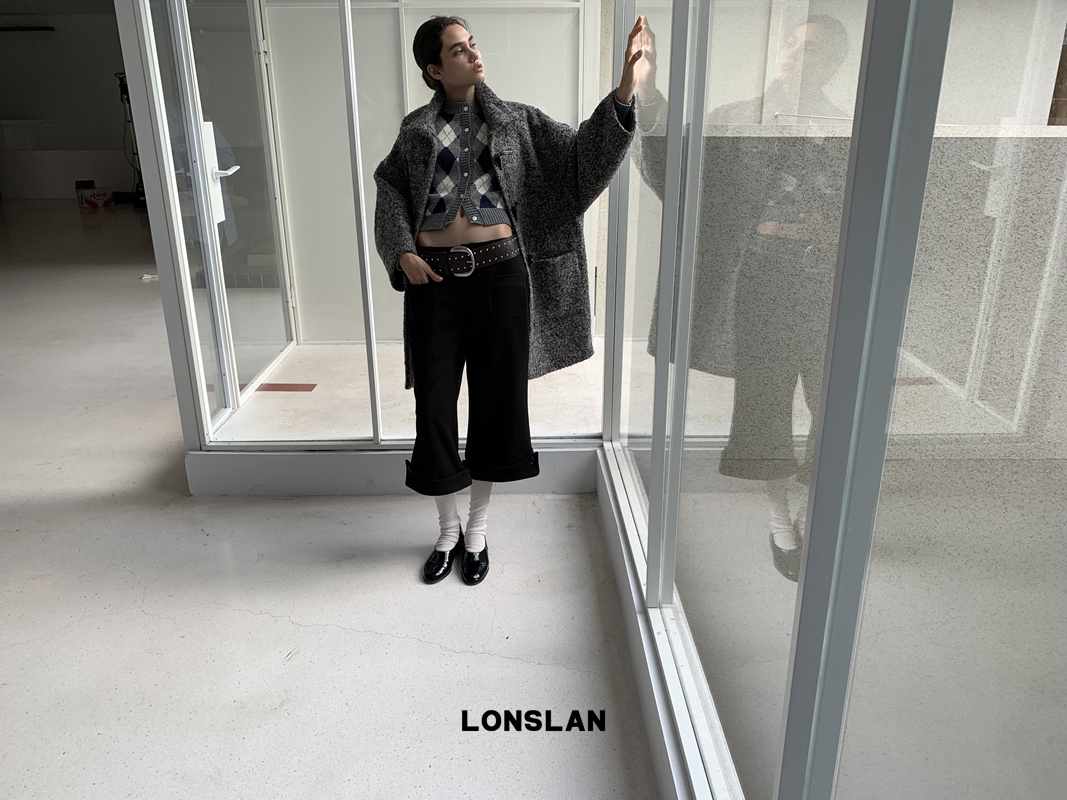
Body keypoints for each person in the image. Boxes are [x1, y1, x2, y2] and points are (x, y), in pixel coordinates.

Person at [373, 15, 647, 585]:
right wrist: (401, 252)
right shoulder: (416, 129)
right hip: (433, 285)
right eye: (457, 50)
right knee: (434, 408)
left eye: (472, 44)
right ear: (433, 70)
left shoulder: (519, 121)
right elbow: (390, 187)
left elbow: (582, 161)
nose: (473, 55)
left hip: (503, 278)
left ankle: (475, 530)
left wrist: (624, 92)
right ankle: (446, 530)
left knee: (498, 404)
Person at [629, 15, 851, 581]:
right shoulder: (736, 118)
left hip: (830, 277)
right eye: (791, 43)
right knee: (763, 402)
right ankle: (779, 518)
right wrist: (648, 93)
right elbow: (678, 176)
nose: (794, 55)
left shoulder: (845, 125)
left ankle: (818, 508)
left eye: (811, 49)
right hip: (763, 276)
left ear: (834, 63)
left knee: (836, 400)